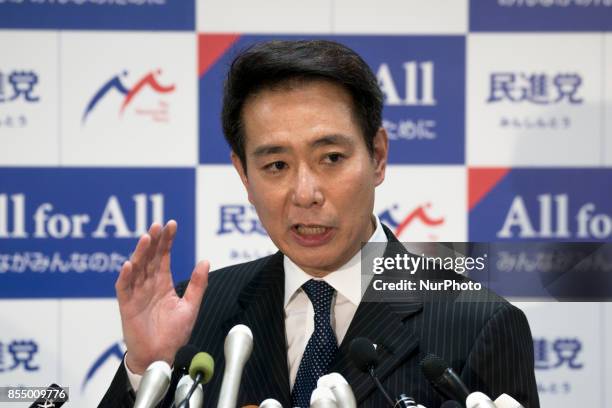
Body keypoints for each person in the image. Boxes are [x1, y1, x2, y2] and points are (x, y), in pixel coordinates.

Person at [100, 40, 539, 407]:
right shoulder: (196, 315)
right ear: (243, 176)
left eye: (331, 158)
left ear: (378, 157)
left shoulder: (478, 324)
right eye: (276, 165)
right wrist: (145, 369)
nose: (305, 192)